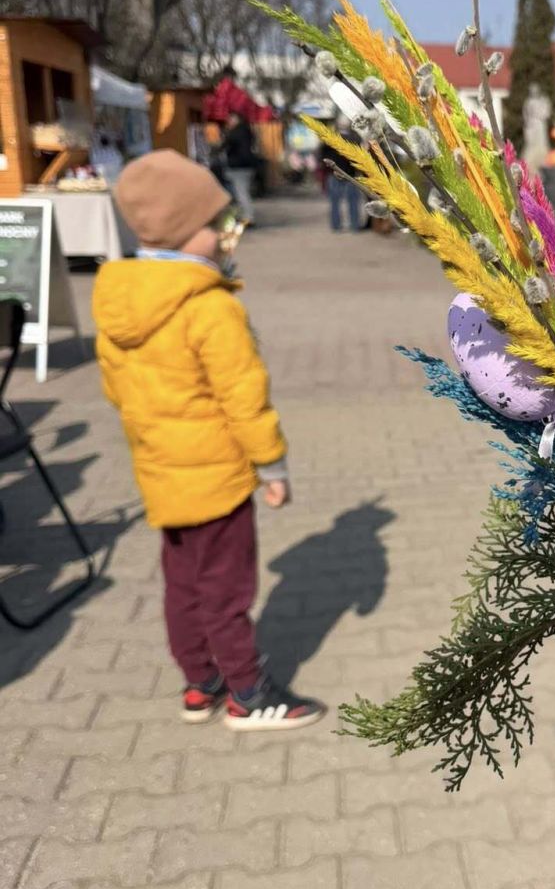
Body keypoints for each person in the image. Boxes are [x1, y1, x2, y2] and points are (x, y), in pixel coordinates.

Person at [92, 149, 325, 731]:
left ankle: (201, 682)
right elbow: (244, 397)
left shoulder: (117, 302)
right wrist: (272, 466)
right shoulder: (210, 308)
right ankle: (248, 692)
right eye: (215, 223)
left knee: (183, 585)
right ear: (184, 230)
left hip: (161, 474)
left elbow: (116, 391)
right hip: (217, 479)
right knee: (226, 590)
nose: (226, 234)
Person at [321, 127, 363, 233]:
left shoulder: (329, 139)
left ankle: (336, 226)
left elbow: (323, 155)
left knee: (335, 202)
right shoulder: (355, 138)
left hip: (334, 173)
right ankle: (354, 225)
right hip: (350, 174)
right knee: (353, 201)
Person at [221, 108, 259, 225]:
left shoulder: (236, 133)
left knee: (241, 193)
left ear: (237, 120)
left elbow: (224, 145)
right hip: (246, 166)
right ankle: (245, 215)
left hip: (238, 166)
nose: (228, 121)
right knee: (241, 192)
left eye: (231, 118)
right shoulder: (247, 131)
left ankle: (248, 217)